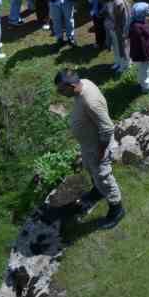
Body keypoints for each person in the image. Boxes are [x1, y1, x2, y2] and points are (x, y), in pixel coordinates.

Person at [54, 69, 124, 230]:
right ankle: (98, 191)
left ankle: (117, 209)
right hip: (89, 145)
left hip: (98, 146)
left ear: (71, 86)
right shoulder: (83, 83)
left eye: (61, 90)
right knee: (90, 169)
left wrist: (101, 151)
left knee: (103, 177)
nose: (59, 93)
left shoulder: (90, 101)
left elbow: (107, 129)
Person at [94, 0, 131, 75]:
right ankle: (117, 61)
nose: (101, 1)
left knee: (122, 47)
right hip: (112, 26)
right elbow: (107, 9)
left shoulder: (119, 3)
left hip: (120, 29)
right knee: (115, 45)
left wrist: (122, 32)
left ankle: (125, 65)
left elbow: (125, 19)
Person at [128, 1, 149, 94]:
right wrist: (147, 55)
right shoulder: (137, 29)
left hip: (148, 51)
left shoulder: (140, 21)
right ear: (141, 13)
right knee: (143, 70)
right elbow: (142, 45)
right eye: (146, 10)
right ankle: (146, 87)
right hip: (143, 54)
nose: (148, 11)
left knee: (148, 67)